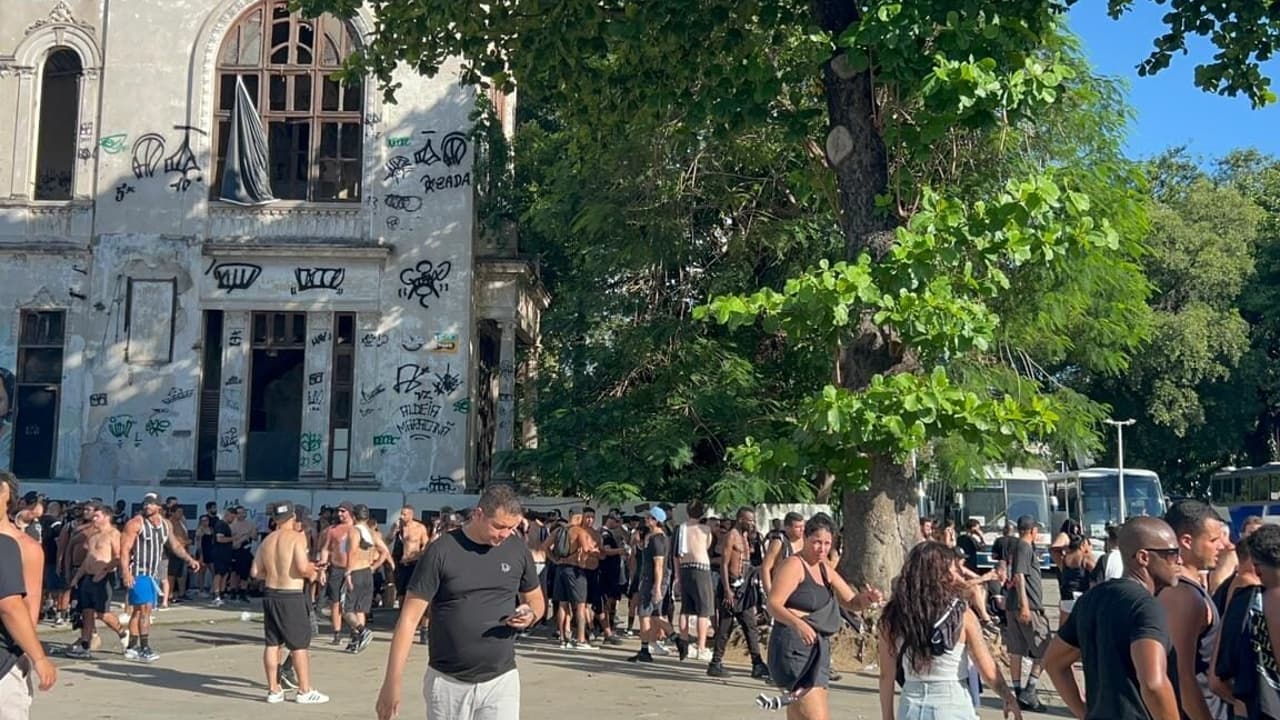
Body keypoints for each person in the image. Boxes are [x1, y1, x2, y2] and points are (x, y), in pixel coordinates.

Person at [374, 484, 544, 720]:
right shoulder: (441, 551)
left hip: (501, 680)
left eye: (511, 528)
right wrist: (391, 682)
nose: (505, 534)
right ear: (479, 514)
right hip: (448, 682)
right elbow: (409, 619)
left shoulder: (516, 548)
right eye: (499, 526)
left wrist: (530, 614)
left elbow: (536, 599)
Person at [1043, 516, 1183, 720]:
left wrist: (1084, 713)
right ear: (1143, 557)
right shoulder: (1146, 606)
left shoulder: (1091, 598)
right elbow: (1153, 684)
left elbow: (1053, 662)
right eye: (1172, 553)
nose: (1180, 560)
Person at [878, 542, 1019, 720]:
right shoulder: (963, 615)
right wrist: (1008, 697)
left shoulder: (892, 617)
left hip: (910, 705)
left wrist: (888, 717)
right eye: (952, 570)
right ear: (942, 575)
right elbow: (987, 669)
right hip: (952, 702)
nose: (956, 575)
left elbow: (886, 676)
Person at [762, 513, 882, 718]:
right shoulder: (794, 565)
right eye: (817, 542)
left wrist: (867, 599)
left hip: (818, 650)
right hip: (794, 647)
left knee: (801, 715)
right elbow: (773, 604)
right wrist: (798, 623)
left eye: (827, 543)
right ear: (805, 538)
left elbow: (851, 602)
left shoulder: (824, 568)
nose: (822, 548)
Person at [251, 502, 328, 704]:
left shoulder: (267, 540)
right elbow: (302, 568)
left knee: (272, 644)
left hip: (270, 594)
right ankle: (304, 690)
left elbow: (255, 572)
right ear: (293, 517)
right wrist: (314, 571)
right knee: (299, 645)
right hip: (290, 595)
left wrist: (275, 573)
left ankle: (274, 690)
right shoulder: (296, 538)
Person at [1160, 500, 1230, 720]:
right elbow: (1181, 676)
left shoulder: (1190, 590)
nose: (1223, 546)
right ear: (1187, 541)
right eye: (1213, 540)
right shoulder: (1183, 596)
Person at [0, 472, 56, 719]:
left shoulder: (24, 547)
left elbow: (24, 610)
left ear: (8, 499)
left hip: (5, 659)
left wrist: (35, 656)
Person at [119, 493, 199, 662]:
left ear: (159, 507)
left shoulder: (165, 524)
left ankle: (131, 647)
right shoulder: (135, 523)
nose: (147, 506)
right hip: (139, 572)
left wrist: (189, 559)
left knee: (138, 611)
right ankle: (144, 647)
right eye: (145, 503)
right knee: (145, 610)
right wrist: (126, 573)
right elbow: (124, 550)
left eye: (151, 503)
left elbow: (175, 545)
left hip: (153, 574)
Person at [707, 506, 768, 679]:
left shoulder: (745, 536)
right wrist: (727, 590)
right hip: (731, 587)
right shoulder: (731, 536)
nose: (752, 523)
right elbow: (724, 564)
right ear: (741, 519)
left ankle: (757, 663)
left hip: (744, 587)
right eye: (750, 520)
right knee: (725, 626)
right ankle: (715, 663)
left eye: (754, 521)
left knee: (750, 626)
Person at [64, 502, 130, 659]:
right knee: (87, 612)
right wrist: (77, 577)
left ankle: (122, 632)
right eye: (93, 516)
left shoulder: (113, 534)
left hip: (103, 577)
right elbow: (88, 559)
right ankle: (85, 646)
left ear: (106, 517)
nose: (94, 519)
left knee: (102, 614)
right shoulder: (93, 536)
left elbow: (118, 557)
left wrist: (105, 570)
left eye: (97, 516)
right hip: (88, 577)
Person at [1002, 514, 1049, 712]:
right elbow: (1019, 576)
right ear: (1032, 531)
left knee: (1017, 650)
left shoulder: (1017, 546)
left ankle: (1020, 692)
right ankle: (1028, 690)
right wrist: (1025, 605)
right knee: (1045, 647)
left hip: (1014, 604)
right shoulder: (1024, 546)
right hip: (1027, 606)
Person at [627, 507, 676, 662]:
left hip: (652, 580)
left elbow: (659, 565)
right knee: (654, 615)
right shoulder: (651, 536)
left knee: (644, 614)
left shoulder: (658, 539)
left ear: (657, 521)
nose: (646, 519)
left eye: (649, 517)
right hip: (648, 578)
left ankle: (645, 649)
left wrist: (657, 587)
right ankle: (677, 639)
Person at [674, 500, 715, 661]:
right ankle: (701, 647)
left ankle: (684, 644)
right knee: (703, 611)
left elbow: (675, 555)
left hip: (685, 567)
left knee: (685, 609)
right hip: (701, 568)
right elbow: (707, 546)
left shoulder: (680, 529)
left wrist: (677, 577)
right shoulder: (705, 529)